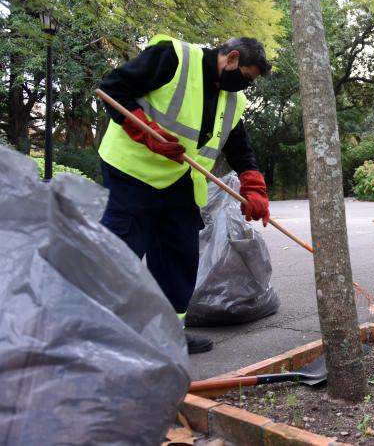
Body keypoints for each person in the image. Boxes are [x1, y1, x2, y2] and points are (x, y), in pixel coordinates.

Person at [97, 35, 272, 354]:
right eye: (246, 77)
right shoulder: (173, 58)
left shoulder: (233, 100)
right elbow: (113, 88)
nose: (245, 86)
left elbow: (239, 147)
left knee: (178, 257)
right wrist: (143, 129)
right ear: (231, 58)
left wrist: (253, 185)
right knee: (122, 251)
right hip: (131, 172)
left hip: (179, 182)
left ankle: (168, 334)